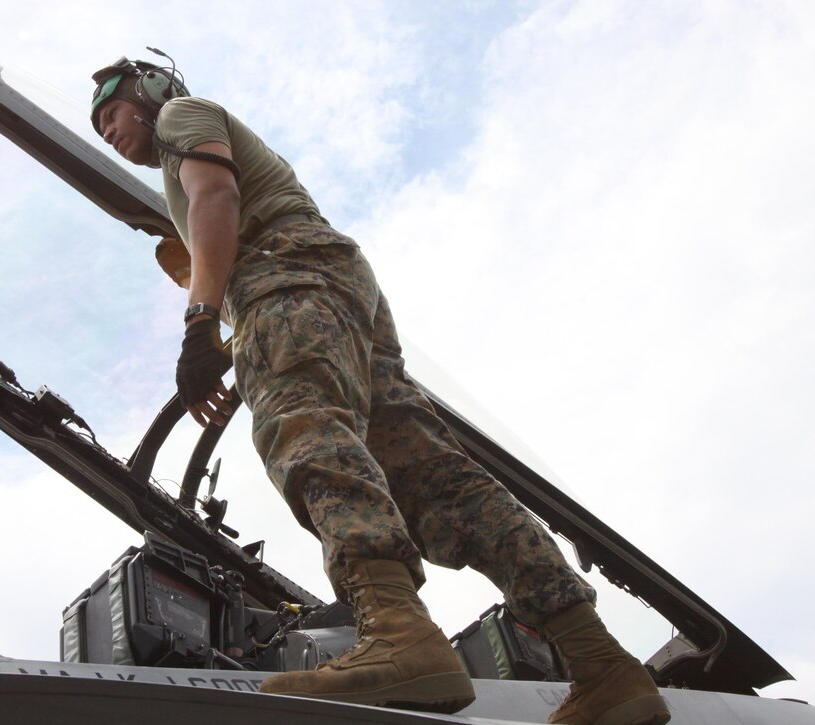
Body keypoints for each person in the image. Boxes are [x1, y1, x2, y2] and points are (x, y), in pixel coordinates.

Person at [90, 53, 670, 725]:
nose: (106, 128)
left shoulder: (182, 119)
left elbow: (217, 198)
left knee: (307, 432)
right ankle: (602, 663)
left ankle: (398, 632)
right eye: (97, 124)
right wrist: (218, 330)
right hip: (335, 293)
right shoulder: (182, 168)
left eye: (111, 110)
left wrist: (198, 326)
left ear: (152, 93)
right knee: (438, 482)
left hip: (291, 279)